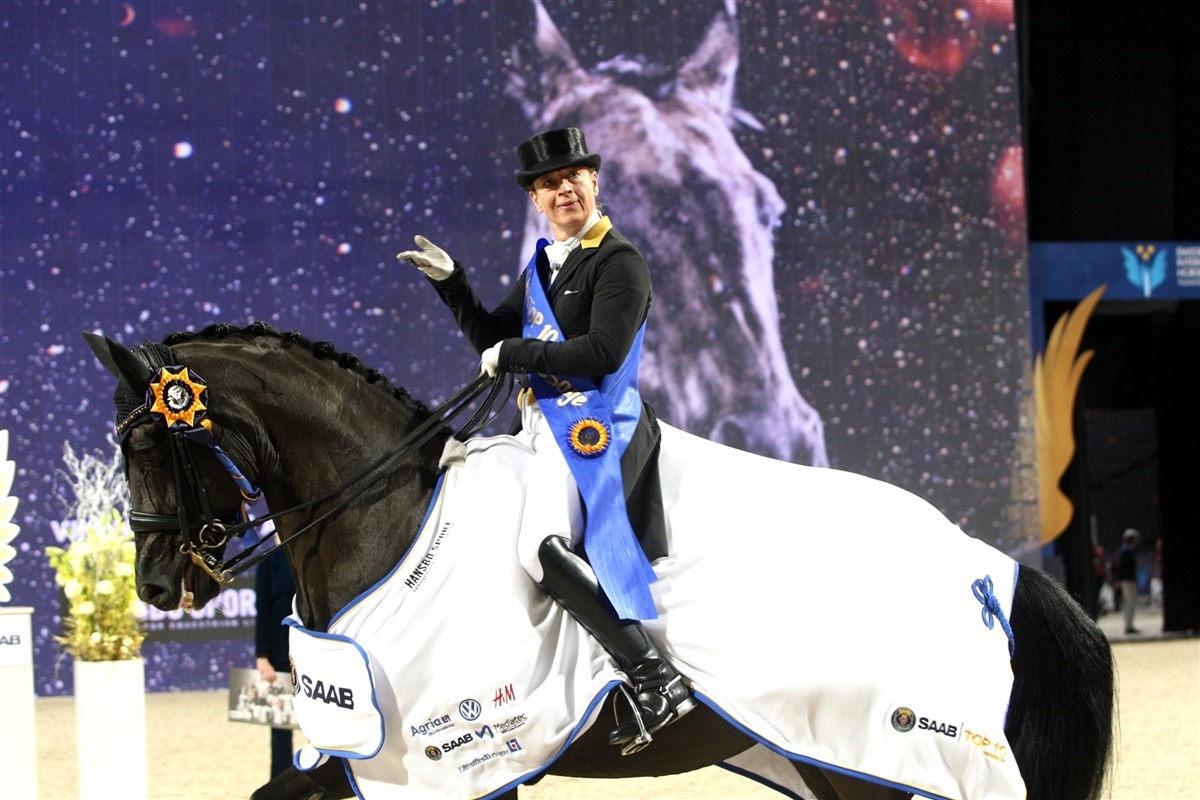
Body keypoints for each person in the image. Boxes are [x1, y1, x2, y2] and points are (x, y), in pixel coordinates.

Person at [397, 127, 694, 754]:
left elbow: (602, 351)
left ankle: (654, 677)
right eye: (549, 184)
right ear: (535, 199)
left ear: (594, 182)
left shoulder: (618, 260)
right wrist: (453, 284)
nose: (563, 191)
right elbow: (492, 339)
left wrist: (518, 353)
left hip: (595, 422)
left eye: (572, 178)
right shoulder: (542, 267)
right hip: (538, 425)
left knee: (539, 548)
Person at [254, 544, 297, 778]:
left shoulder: (311, 554)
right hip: (280, 655)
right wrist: (262, 657)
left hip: (313, 652)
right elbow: (262, 610)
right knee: (281, 726)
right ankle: (282, 780)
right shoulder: (269, 562)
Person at [1114, 528, 1140, 635]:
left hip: (1128, 579)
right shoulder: (1126, 551)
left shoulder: (1126, 550)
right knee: (1129, 602)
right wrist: (1119, 579)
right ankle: (1128, 626)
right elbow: (1121, 567)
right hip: (1127, 580)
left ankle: (1129, 625)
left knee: (1129, 603)